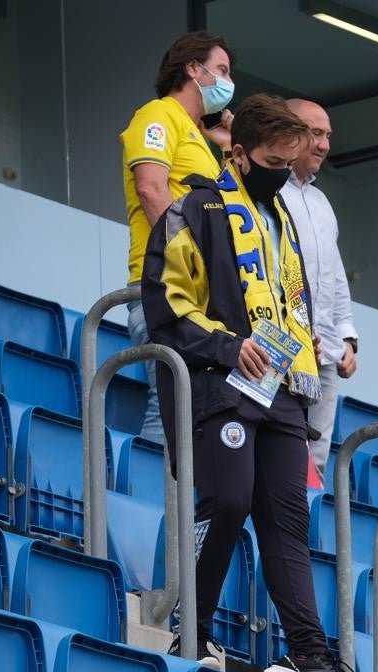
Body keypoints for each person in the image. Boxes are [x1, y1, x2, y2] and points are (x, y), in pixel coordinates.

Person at [142, 93, 354, 672]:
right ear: (237, 154)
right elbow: (166, 306)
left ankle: (311, 657)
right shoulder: (194, 210)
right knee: (229, 500)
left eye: (290, 165)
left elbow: (294, 300)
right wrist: (227, 345)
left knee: (288, 522)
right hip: (219, 384)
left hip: (283, 390)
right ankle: (193, 627)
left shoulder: (281, 218)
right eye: (271, 161)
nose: (282, 174)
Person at [121, 31, 237, 444]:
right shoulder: (158, 114)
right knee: (171, 406)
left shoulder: (201, 140)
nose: (227, 81)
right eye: (221, 70)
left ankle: (177, 507)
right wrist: (185, 259)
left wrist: (229, 149)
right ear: (193, 68)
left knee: (193, 413)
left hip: (198, 293)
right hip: (165, 284)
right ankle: (158, 505)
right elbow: (152, 189)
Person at [280, 99, 359, 476]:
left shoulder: (321, 201)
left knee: (316, 459)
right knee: (279, 448)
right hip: (280, 342)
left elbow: (335, 274)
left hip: (325, 351)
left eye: (327, 135)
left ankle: (302, 535)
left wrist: (348, 338)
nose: (324, 145)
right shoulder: (264, 192)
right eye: (315, 133)